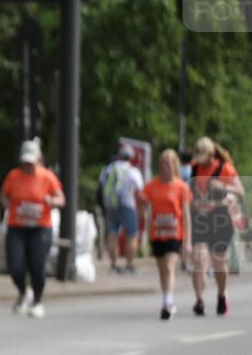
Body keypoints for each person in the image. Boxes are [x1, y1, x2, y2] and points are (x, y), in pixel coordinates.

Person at [0, 138, 66, 318]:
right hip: (17, 226)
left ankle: (37, 300)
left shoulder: (47, 177)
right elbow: (4, 196)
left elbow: (61, 199)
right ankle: (23, 292)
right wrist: (9, 204)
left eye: (31, 162)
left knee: (37, 265)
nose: (28, 166)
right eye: (25, 163)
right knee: (15, 265)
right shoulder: (13, 176)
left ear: (38, 160)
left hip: (40, 227)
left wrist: (51, 201)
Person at [189, 136, 245, 315]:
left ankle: (221, 295)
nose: (201, 162)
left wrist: (223, 186)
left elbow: (240, 191)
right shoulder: (196, 167)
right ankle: (199, 300)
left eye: (204, 158)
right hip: (201, 216)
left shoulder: (224, 168)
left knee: (219, 261)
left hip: (220, 217)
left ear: (212, 155)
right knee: (199, 258)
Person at [140, 149, 192, 320]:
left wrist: (187, 241)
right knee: (162, 269)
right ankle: (167, 298)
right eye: (163, 163)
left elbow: (185, 214)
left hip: (175, 232)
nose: (165, 167)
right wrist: (140, 205)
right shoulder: (151, 186)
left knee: (170, 266)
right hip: (157, 233)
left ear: (174, 165)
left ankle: (167, 302)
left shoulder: (181, 187)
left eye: (169, 163)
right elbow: (143, 210)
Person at [98, 144, 145, 274]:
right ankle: (129, 264)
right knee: (132, 235)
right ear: (130, 157)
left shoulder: (108, 169)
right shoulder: (132, 170)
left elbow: (101, 185)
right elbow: (140, 191)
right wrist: (142, 210)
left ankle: (113, 265)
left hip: (111, 205)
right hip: (127, 205)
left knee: (112, 235)